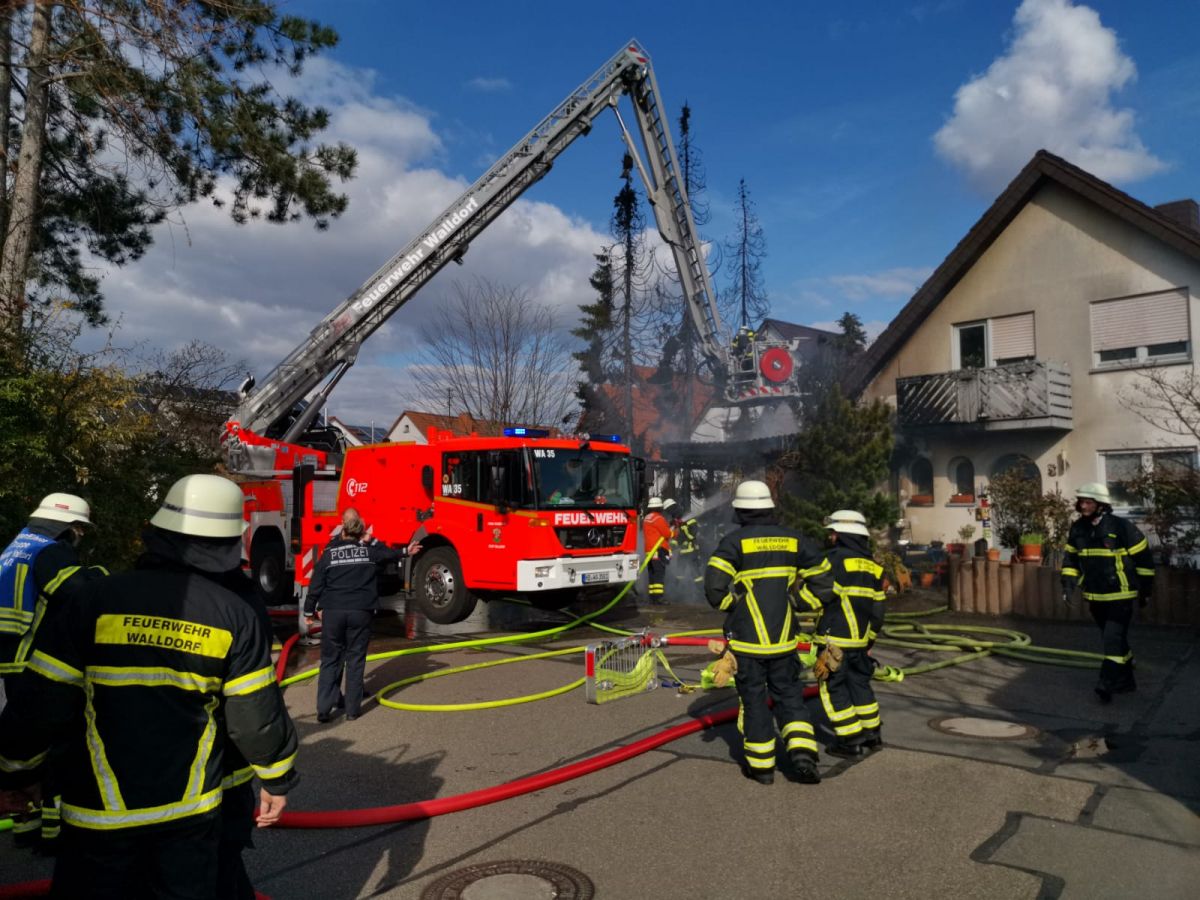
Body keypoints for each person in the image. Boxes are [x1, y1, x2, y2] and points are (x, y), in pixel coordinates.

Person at [0, 474, 298, 900]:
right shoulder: (235, 612)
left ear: (156, 533)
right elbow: (255, 717)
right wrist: (277, 780)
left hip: (96, 819)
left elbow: (41, 703)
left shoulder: (93, 600)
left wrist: (16, 772)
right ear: (233, 541)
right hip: (189, 817)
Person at [0, 492, 107, 851]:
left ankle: (25, 827)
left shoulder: (17, 547)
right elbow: (75, 591)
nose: (80, 535)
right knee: (60, 744)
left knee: (25, 741)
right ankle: (54, 834)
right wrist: (101, 576)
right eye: (79, 529)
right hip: (37, 662)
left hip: (12, 658)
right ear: (69, 527)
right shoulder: (50, 550)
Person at [704, 480, 824, 785]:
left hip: (748, 643)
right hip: (784, 640)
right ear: (769, 508)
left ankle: (762, 768)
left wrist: (736, 607)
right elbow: (824, 582)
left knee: (755, 701)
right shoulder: (794, 540)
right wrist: (797, 602)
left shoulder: (734, 543)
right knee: (789, 697)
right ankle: (803, 755)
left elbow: (714, 590)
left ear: (741, 511)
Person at [303, 508, 410, 722]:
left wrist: (309, 611)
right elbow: (388, 554)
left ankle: (324, 710)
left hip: (333, 613)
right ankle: (352, 710)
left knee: (330, 660)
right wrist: (404, 550)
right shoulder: (369, 552)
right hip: (361, 612)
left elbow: (316, 584)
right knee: (355, 660)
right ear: (361, 532)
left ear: (343, 529)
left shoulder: (330, 553)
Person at [794, 509, 886, 757]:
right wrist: (870, 640)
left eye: (833, 532)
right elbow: (878, 609)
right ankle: (872, 733)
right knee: (860, 686)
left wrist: (793, 599)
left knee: (833, 688)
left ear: (842, 534)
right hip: (859, 642)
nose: (831, 537)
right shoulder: (874, 568)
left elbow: (818, 595)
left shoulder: (833, 561)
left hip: (832, 641)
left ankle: (849, 739)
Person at [1060, 482, 1154, 704]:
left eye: (1089, 502)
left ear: (1101, 505)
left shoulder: (1121, 527)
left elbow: (1144, 559)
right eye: (1081, 502)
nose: (1083, 506)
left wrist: (1145, 591)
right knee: (1115, 639)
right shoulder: (1077, 528)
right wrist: (1068, 585)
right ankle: (1126, 680)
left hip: (1120, 595)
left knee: (1112, 641)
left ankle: (1106, 683)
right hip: (1095, 596)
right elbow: (1070, 559)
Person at [641, 497, 674, 604]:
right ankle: (659, 597)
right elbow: (667, 534)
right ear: (659, 507)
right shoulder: (658, 518)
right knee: (659, 573)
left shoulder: (647, 518)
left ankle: (653, 597)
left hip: (649, 551)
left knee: (652, 573)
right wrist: (675, 530)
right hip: (658, 549)